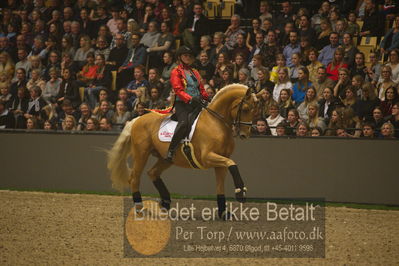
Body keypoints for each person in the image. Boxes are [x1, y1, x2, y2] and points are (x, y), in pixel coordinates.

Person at [166, 46, 209, 162]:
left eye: (189, 56)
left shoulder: (195, 72)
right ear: (180, 57)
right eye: (185, 55)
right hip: (182, 104)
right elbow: (178, 90)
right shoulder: (176, 71)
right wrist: (190, 98)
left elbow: (201, 88)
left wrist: (207, 97)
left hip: (197, 103)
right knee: (184, 123)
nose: (188, 57)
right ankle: (171, 150)